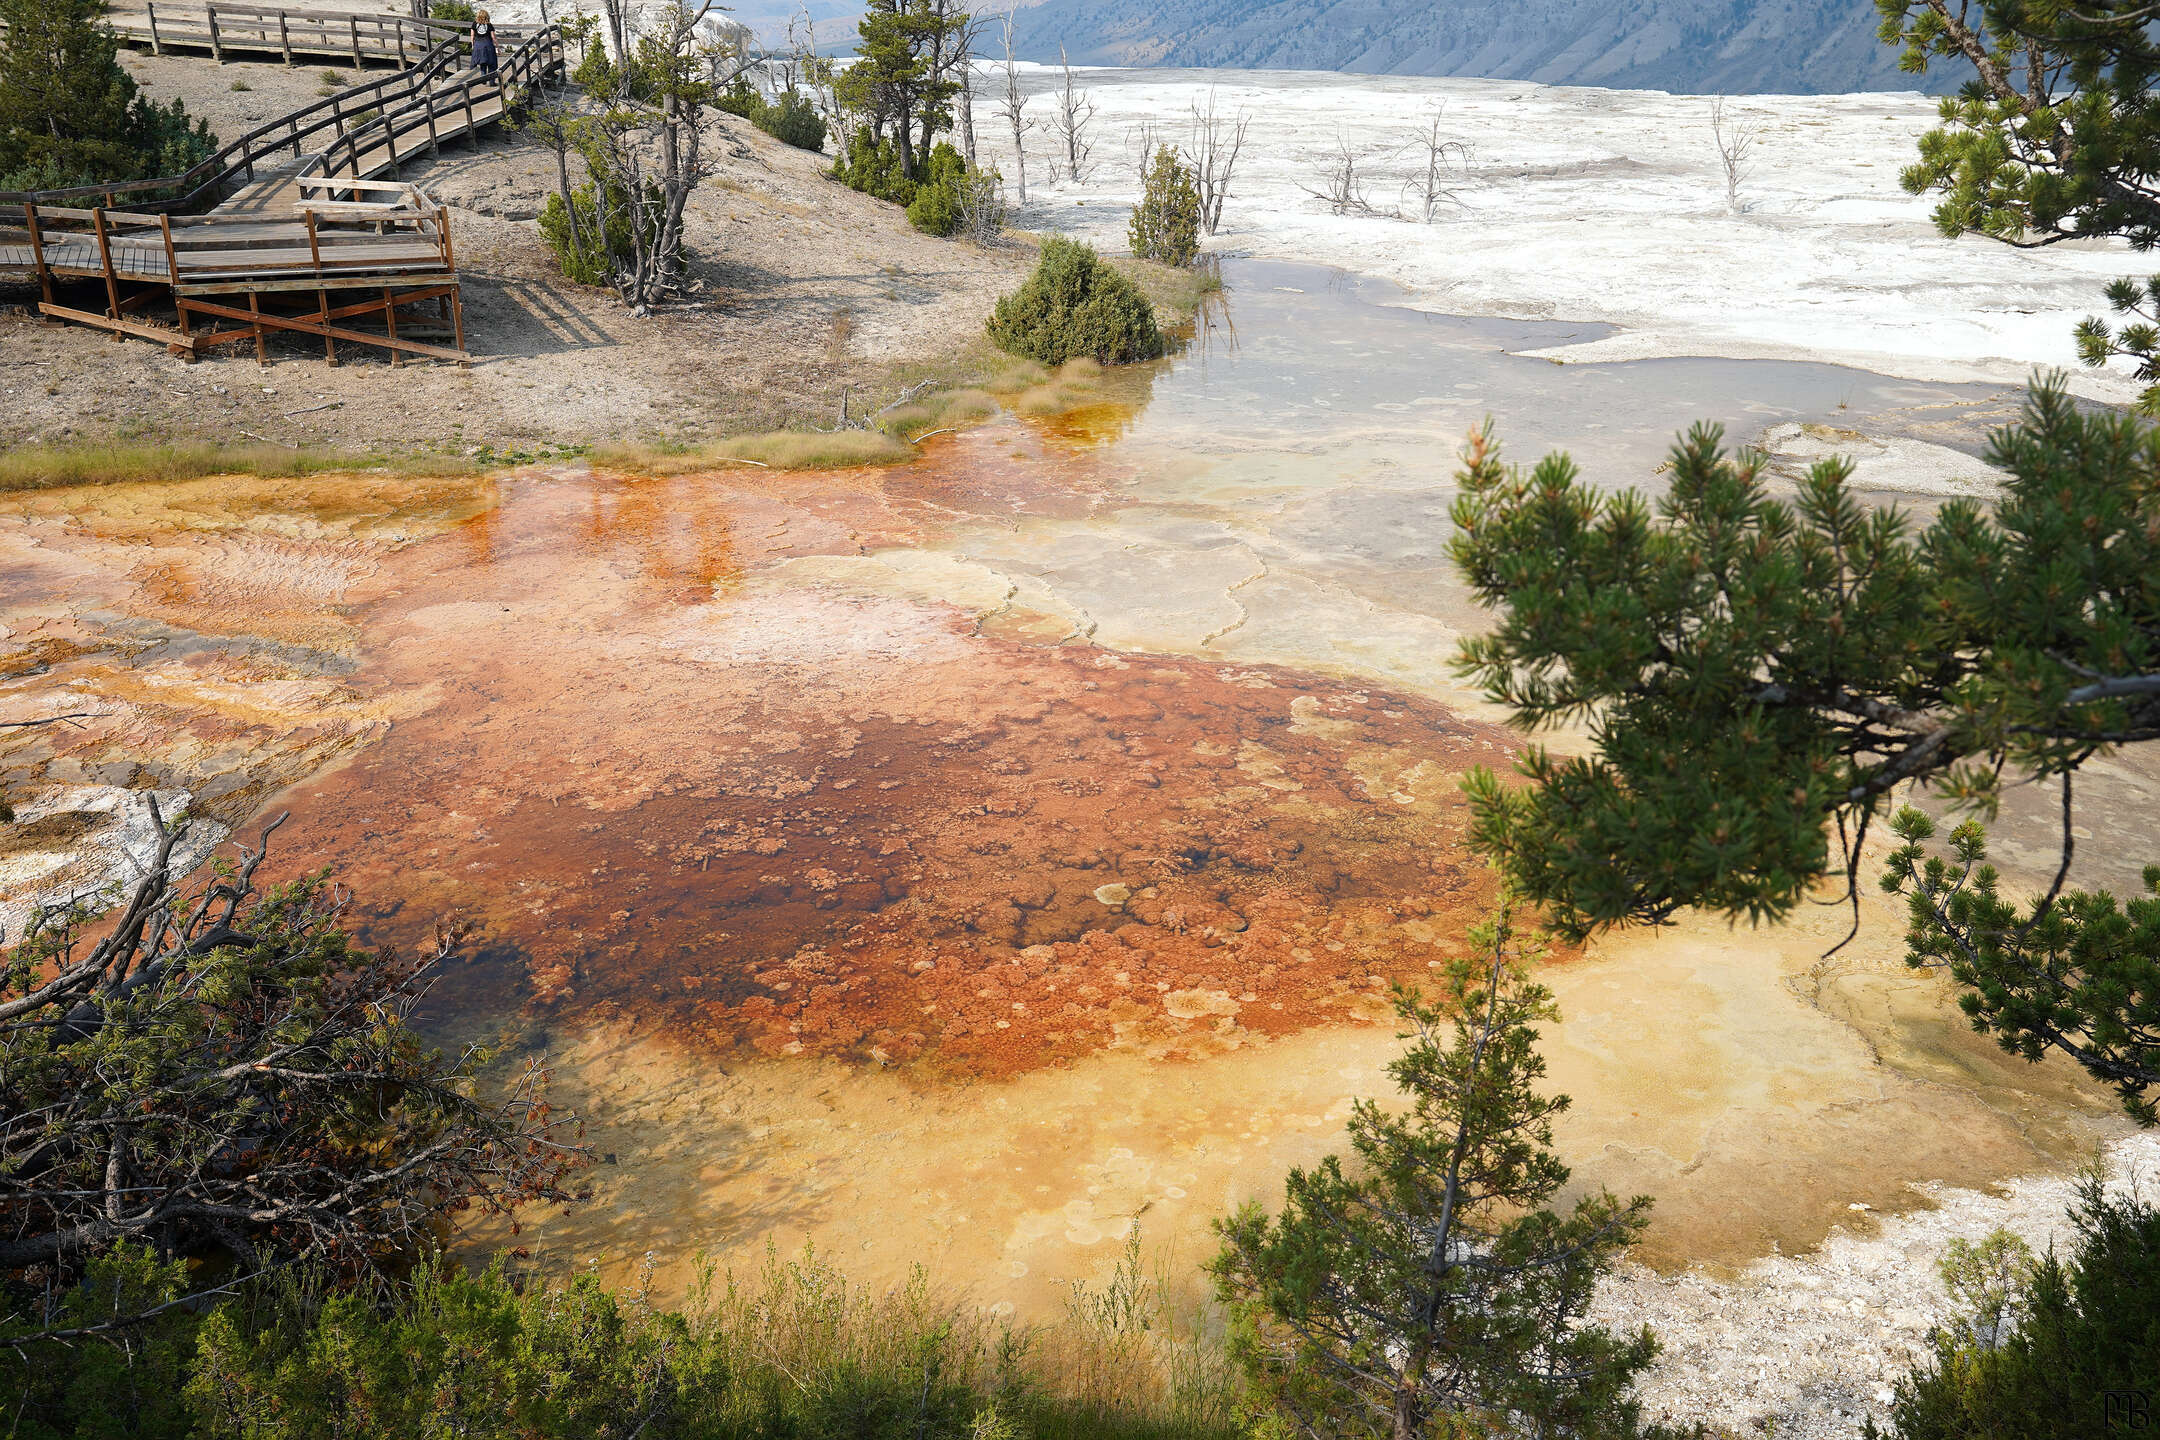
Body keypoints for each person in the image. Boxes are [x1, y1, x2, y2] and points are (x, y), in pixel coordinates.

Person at [471, 9, 498, 78]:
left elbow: (472, 36)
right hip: (488, 45)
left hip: (478, 45)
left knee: (482, 62)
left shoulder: (474, 24)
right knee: (491, 63)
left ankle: (483, 78)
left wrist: (472, 45)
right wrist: (498, 47)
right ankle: (491, 81)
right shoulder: (489, 25)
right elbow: (493, 37)